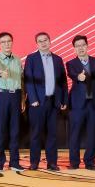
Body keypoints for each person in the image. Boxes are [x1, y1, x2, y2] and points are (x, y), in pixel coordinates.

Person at [24, 32, 68, 171]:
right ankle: (34, 162)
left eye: (45, 40)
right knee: (36, 134)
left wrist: (64, 99)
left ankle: (52, 163)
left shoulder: (58, 59)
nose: (43, 43)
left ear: (50, 41)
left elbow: (63, 81)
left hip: (53, 102)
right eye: (40, 41)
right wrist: (33, 99)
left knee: (52, 135)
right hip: (37, 103)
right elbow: (28, 80)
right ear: (36, 44)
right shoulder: (31, 58)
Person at [66, 35, 95, 170]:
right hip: (77, 104)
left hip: (94, 104)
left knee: (93, 133)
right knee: (74, 133)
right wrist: (78, 76)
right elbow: (71, 74)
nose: (81, 48)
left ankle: (90, 162)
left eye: (83, 45)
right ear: (74, 49)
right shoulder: (70, 63)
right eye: (77, 46)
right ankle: (74, 162)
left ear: (87, 46)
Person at [0, 31, 25, 172]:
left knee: (15, 130)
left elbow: (21, 80)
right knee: (0, 130)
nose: (6, 44)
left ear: (12, 42)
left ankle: (14, 162)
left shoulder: (17, 59)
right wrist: (0, 73)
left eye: (9, 41)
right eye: (3, 42)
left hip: (15, 96)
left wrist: (23, 98)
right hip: (1, 96)